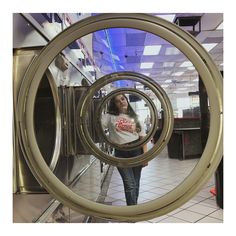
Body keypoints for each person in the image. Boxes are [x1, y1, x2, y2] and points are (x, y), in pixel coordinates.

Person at [101, 94, 147, 205]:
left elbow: (142, 137)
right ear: (114, 105)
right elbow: (97, 127)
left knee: (135, 183)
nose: (121, 102)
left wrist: (145, 156)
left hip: (136, 150)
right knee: (129, 183)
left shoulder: (135, 117)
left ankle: (133, 209)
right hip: (120, 152)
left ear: (126, 100)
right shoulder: (109, 117)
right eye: (117, 101)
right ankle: (132, 212)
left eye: (123, 99)